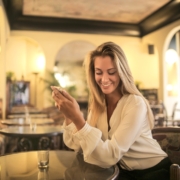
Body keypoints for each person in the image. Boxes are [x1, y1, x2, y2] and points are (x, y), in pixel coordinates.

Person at [51, 42, 171, 180]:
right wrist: (69, 116)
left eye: (112, 72)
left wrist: (78, 117)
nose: (104, 79)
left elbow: (110, 155)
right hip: (121, 172)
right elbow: (78, 145)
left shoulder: (135, 104)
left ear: (121, 72)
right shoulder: (98, 106)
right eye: (99, 72)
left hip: (153, 172)